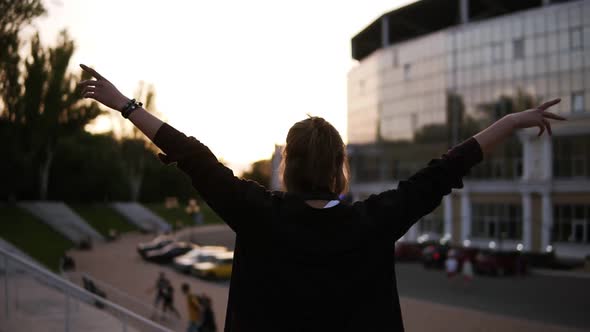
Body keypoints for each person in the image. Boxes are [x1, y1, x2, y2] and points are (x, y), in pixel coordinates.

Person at [78, 64, 565, 331]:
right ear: (339, 169)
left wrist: (126, 104)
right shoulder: (375, 220)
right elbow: (449, 167)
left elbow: (192, 155)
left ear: (288, 165)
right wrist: (512, 122)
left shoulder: (256, 214)